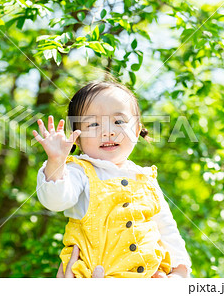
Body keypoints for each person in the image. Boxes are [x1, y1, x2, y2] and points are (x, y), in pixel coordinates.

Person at [33, 79, 192, 278]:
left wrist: (179, 271)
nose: (107, 131)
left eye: (119, 121)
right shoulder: (79, 171)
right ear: (78, 138)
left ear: (136, 130)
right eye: (93, 124)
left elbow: (166, 227)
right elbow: (56, 200)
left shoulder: (146, 178)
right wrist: (56, 162)